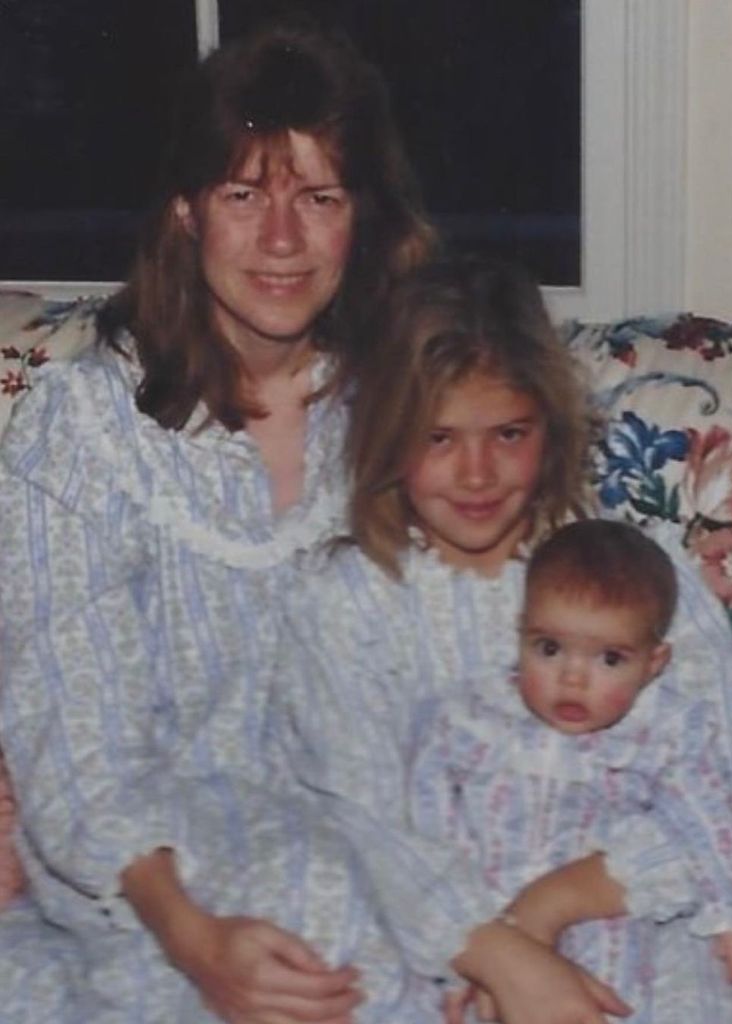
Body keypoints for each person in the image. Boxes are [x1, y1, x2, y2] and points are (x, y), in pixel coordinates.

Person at [0, 17, 435, 1024]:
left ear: (360, 219)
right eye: (244, 195)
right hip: (147, 886)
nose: (280, 241)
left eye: (318, 198)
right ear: (189, 211)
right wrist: (197, 943)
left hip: (355, 863)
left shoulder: (413, 407)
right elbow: (78, 736)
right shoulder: (83, 427)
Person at [275, 254, 732, 1023]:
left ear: (551, 424)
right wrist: (495, 952)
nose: (476, 474)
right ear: (384, 437)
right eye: (437, 438)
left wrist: (547, 908)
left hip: (636, 928)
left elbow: (724, 813)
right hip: (439, 941)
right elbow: (365, 828)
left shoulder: (634, 577)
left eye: (508, 433)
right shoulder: (343, 601)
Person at [408, 518, 732, 1022]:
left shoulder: (662, 730)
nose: (573, 678)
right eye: (549, 648)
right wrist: (456, 932)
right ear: (520, 636)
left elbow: (714, 821)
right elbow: (429, 825)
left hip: (606, 918)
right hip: (489, 909)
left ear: (653, 663)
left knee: (615, 1002)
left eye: (610, 658)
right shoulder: (469, 718)